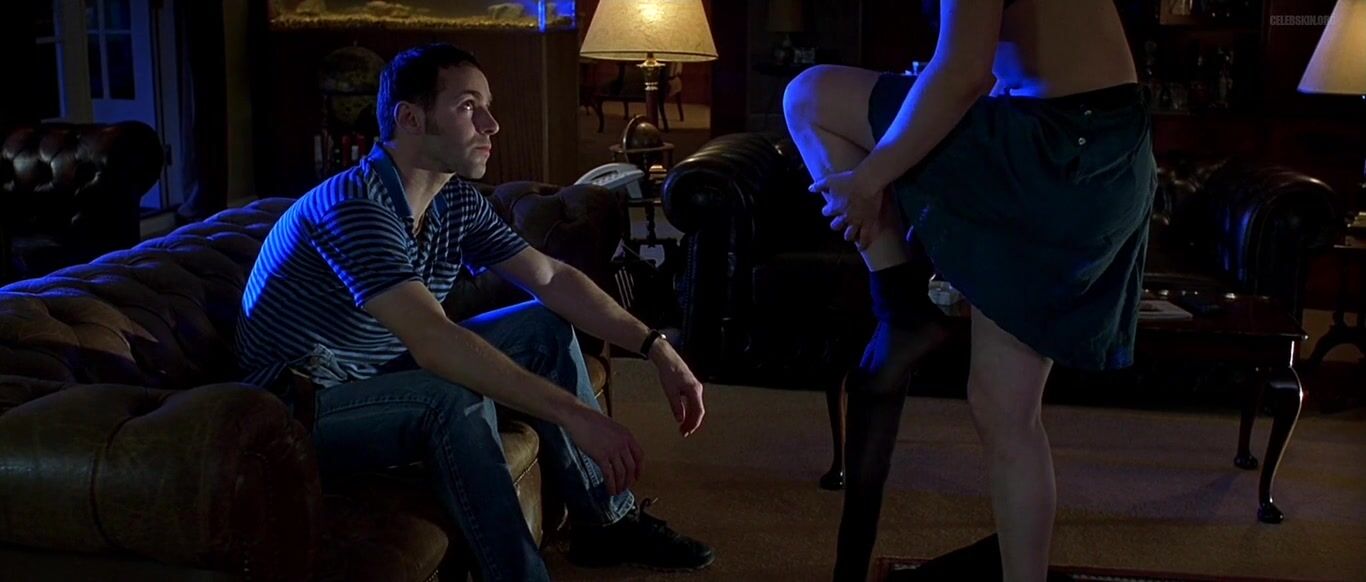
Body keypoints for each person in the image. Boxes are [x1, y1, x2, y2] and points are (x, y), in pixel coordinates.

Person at [235, 43, 715, 581]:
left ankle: (606, 527)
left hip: (381, 367)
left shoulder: (452, 200)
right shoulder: (355, 207)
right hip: (301, 406)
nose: (491, 124)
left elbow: (551, 278)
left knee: (542, 325)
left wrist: (656, 347)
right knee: (450, 398)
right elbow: (433, 342)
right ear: (410, 119)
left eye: (487, 106)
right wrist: (577, 416)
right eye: (468, 106)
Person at [783, 0, 1154, 580]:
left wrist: (870, 179)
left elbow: (963, 72)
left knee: (810, 94)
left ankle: (900, 303)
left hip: (1056, 150)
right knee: (1006, 413)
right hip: (1111, 156)